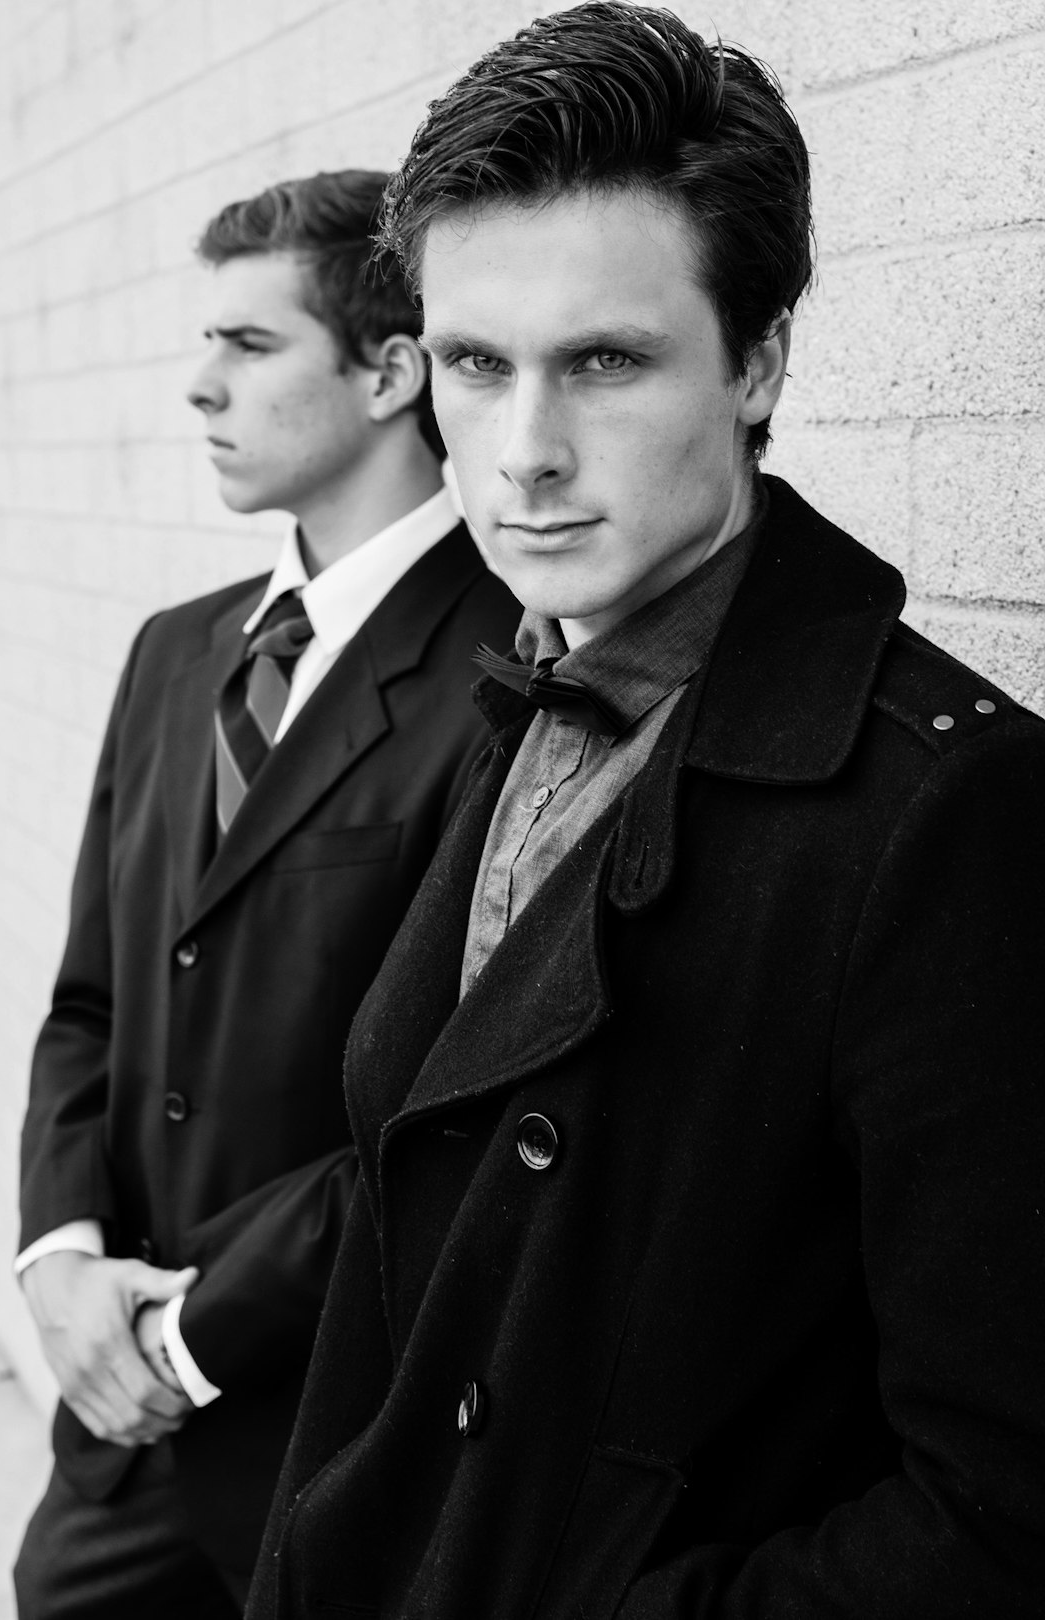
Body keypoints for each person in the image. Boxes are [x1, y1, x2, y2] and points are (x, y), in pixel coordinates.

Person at [247, 10, 1045, 1619]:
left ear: (756, 363)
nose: (526, 457)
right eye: (478, 365)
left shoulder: (947, 811)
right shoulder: (530, 680)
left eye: (605, 360)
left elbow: (1007, 1514)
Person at [13, 168, 518, 1618]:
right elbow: (90, 1004)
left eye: (247, 346)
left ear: (389, 372)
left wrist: (186, 1340)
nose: (197, 388)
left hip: (344, 1435)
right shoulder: (176, 655)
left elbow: (445, 1118)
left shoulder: (510, 668)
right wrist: (59, 1263)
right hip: (119, 1443)